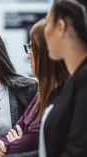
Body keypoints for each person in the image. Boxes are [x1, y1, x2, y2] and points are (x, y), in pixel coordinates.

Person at [0, 19, 68, 156]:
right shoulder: (41, 94)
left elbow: (32, 140)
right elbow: (16, 130)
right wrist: (1, 144)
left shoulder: (60, 95)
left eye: (32, 47)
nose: (28, 54)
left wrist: (9, 145)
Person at [39, 0, 87, 156]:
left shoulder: (84, 78)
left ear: (60, 26)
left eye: (46, 22)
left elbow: (77, 151)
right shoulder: (75, 79)